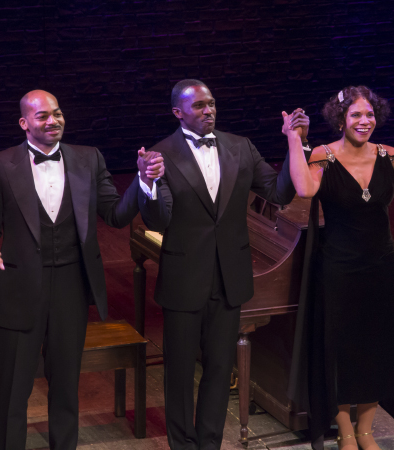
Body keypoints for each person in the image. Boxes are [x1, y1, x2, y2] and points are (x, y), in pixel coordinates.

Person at [141, 79, 312, 450]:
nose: (209, 111)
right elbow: (158, 219)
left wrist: (294, 142)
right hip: (185, 278)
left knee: (220, 369)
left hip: (229, 277)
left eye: (212, 104)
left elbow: (279, 192)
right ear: (178, 113)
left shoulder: (240, 147)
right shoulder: (160, 154)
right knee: (180, 372)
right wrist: (148, 183)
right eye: (199, 106)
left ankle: (209, 443)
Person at [0, 90, 166, 450]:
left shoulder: (88, 159)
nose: (53, 120)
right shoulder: (2, 164)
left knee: (65, 386)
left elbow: (115, 214)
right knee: (12, 389)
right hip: (19, 287)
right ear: (24, 123)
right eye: (42, 116)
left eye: (57, 113)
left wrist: (142, 181)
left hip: (71, 286)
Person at [284, 85, 394, 450]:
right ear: (341, 119)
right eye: (356, 115)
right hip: (338, 267)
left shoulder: (389, 154)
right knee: (341, 349)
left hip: (381, 267)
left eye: (369, 115)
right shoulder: (323, 155)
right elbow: (304, 189)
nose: (364, 121)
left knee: (375, 349)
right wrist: (293, 139)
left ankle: (365, 429)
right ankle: (345, 432)